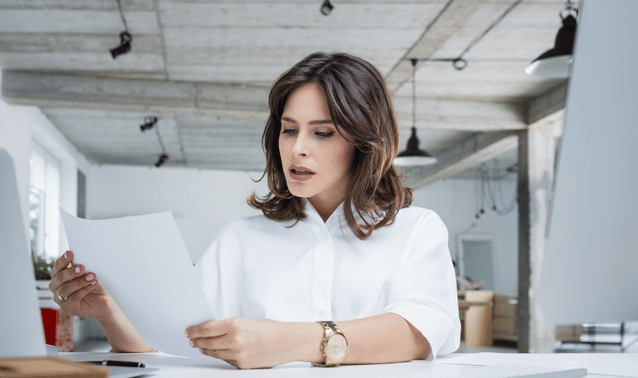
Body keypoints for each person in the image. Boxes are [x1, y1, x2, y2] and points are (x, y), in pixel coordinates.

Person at [49, 52, 460, 369]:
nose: (298, 147)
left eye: (322, 133)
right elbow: (173, 348)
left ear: (365, 141)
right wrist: (107, 314)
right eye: (288, 129)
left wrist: (288, 342)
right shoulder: (240, 239)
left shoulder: (416, 230)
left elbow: (419, 331)